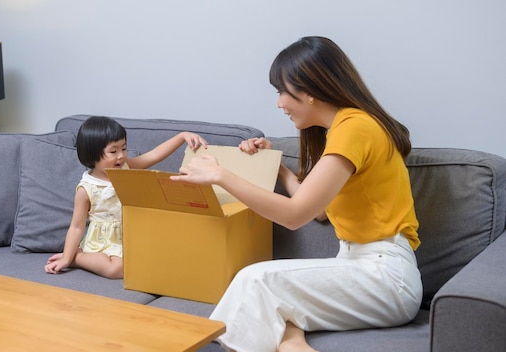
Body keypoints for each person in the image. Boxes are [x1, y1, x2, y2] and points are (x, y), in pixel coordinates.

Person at [170, 36, 423, 352]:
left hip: (384, 277)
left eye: (281, 91)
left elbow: (296, 215)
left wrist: (220, 175)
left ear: (310, 91)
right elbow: (317, 210)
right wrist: (276, 167)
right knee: (274, 313)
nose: (279, 103)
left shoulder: (355, 128)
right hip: (362, 269)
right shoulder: (344, 129)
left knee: (256, 280)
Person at [45, 116, 208, 279]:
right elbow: (76, 227)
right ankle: (77, 258)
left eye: (124, 148)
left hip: (128, 236)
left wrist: (181, 136)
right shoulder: (86, 188)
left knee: (163, 257)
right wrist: (67, 258)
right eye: (113, 151)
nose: (121, 156)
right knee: (117, 270)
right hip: (102, 243)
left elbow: (154, 154)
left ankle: (79, 257)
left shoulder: (126, 168)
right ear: (93, 154)